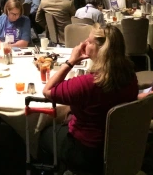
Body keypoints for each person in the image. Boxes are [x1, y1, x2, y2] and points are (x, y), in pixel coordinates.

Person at [39, 25, 138, 174]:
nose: (84, 42)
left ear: (101, 50)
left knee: (43, 134)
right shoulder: (130, 76)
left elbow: (47, 91)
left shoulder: (88, 83)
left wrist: (71, 61)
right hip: (117, 144)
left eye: (90, 41)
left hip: (86, 151)